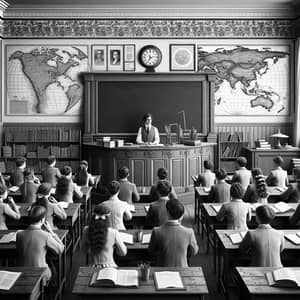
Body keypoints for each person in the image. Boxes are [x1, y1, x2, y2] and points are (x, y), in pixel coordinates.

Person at [16, 205, 64, 285]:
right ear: (42, 220)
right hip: (40, 273)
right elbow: (60, 249)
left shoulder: (19, 234)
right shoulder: (46, 235)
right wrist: (51, 232)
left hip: (22, 272)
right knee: (53, 266)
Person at [148, 198, 198, 267]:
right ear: (182, 216)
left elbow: (151, 251)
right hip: (182, 269)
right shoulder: (189, 232)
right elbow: (194, 251)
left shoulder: (156, 231)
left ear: (167, 213)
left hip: (162, 269)